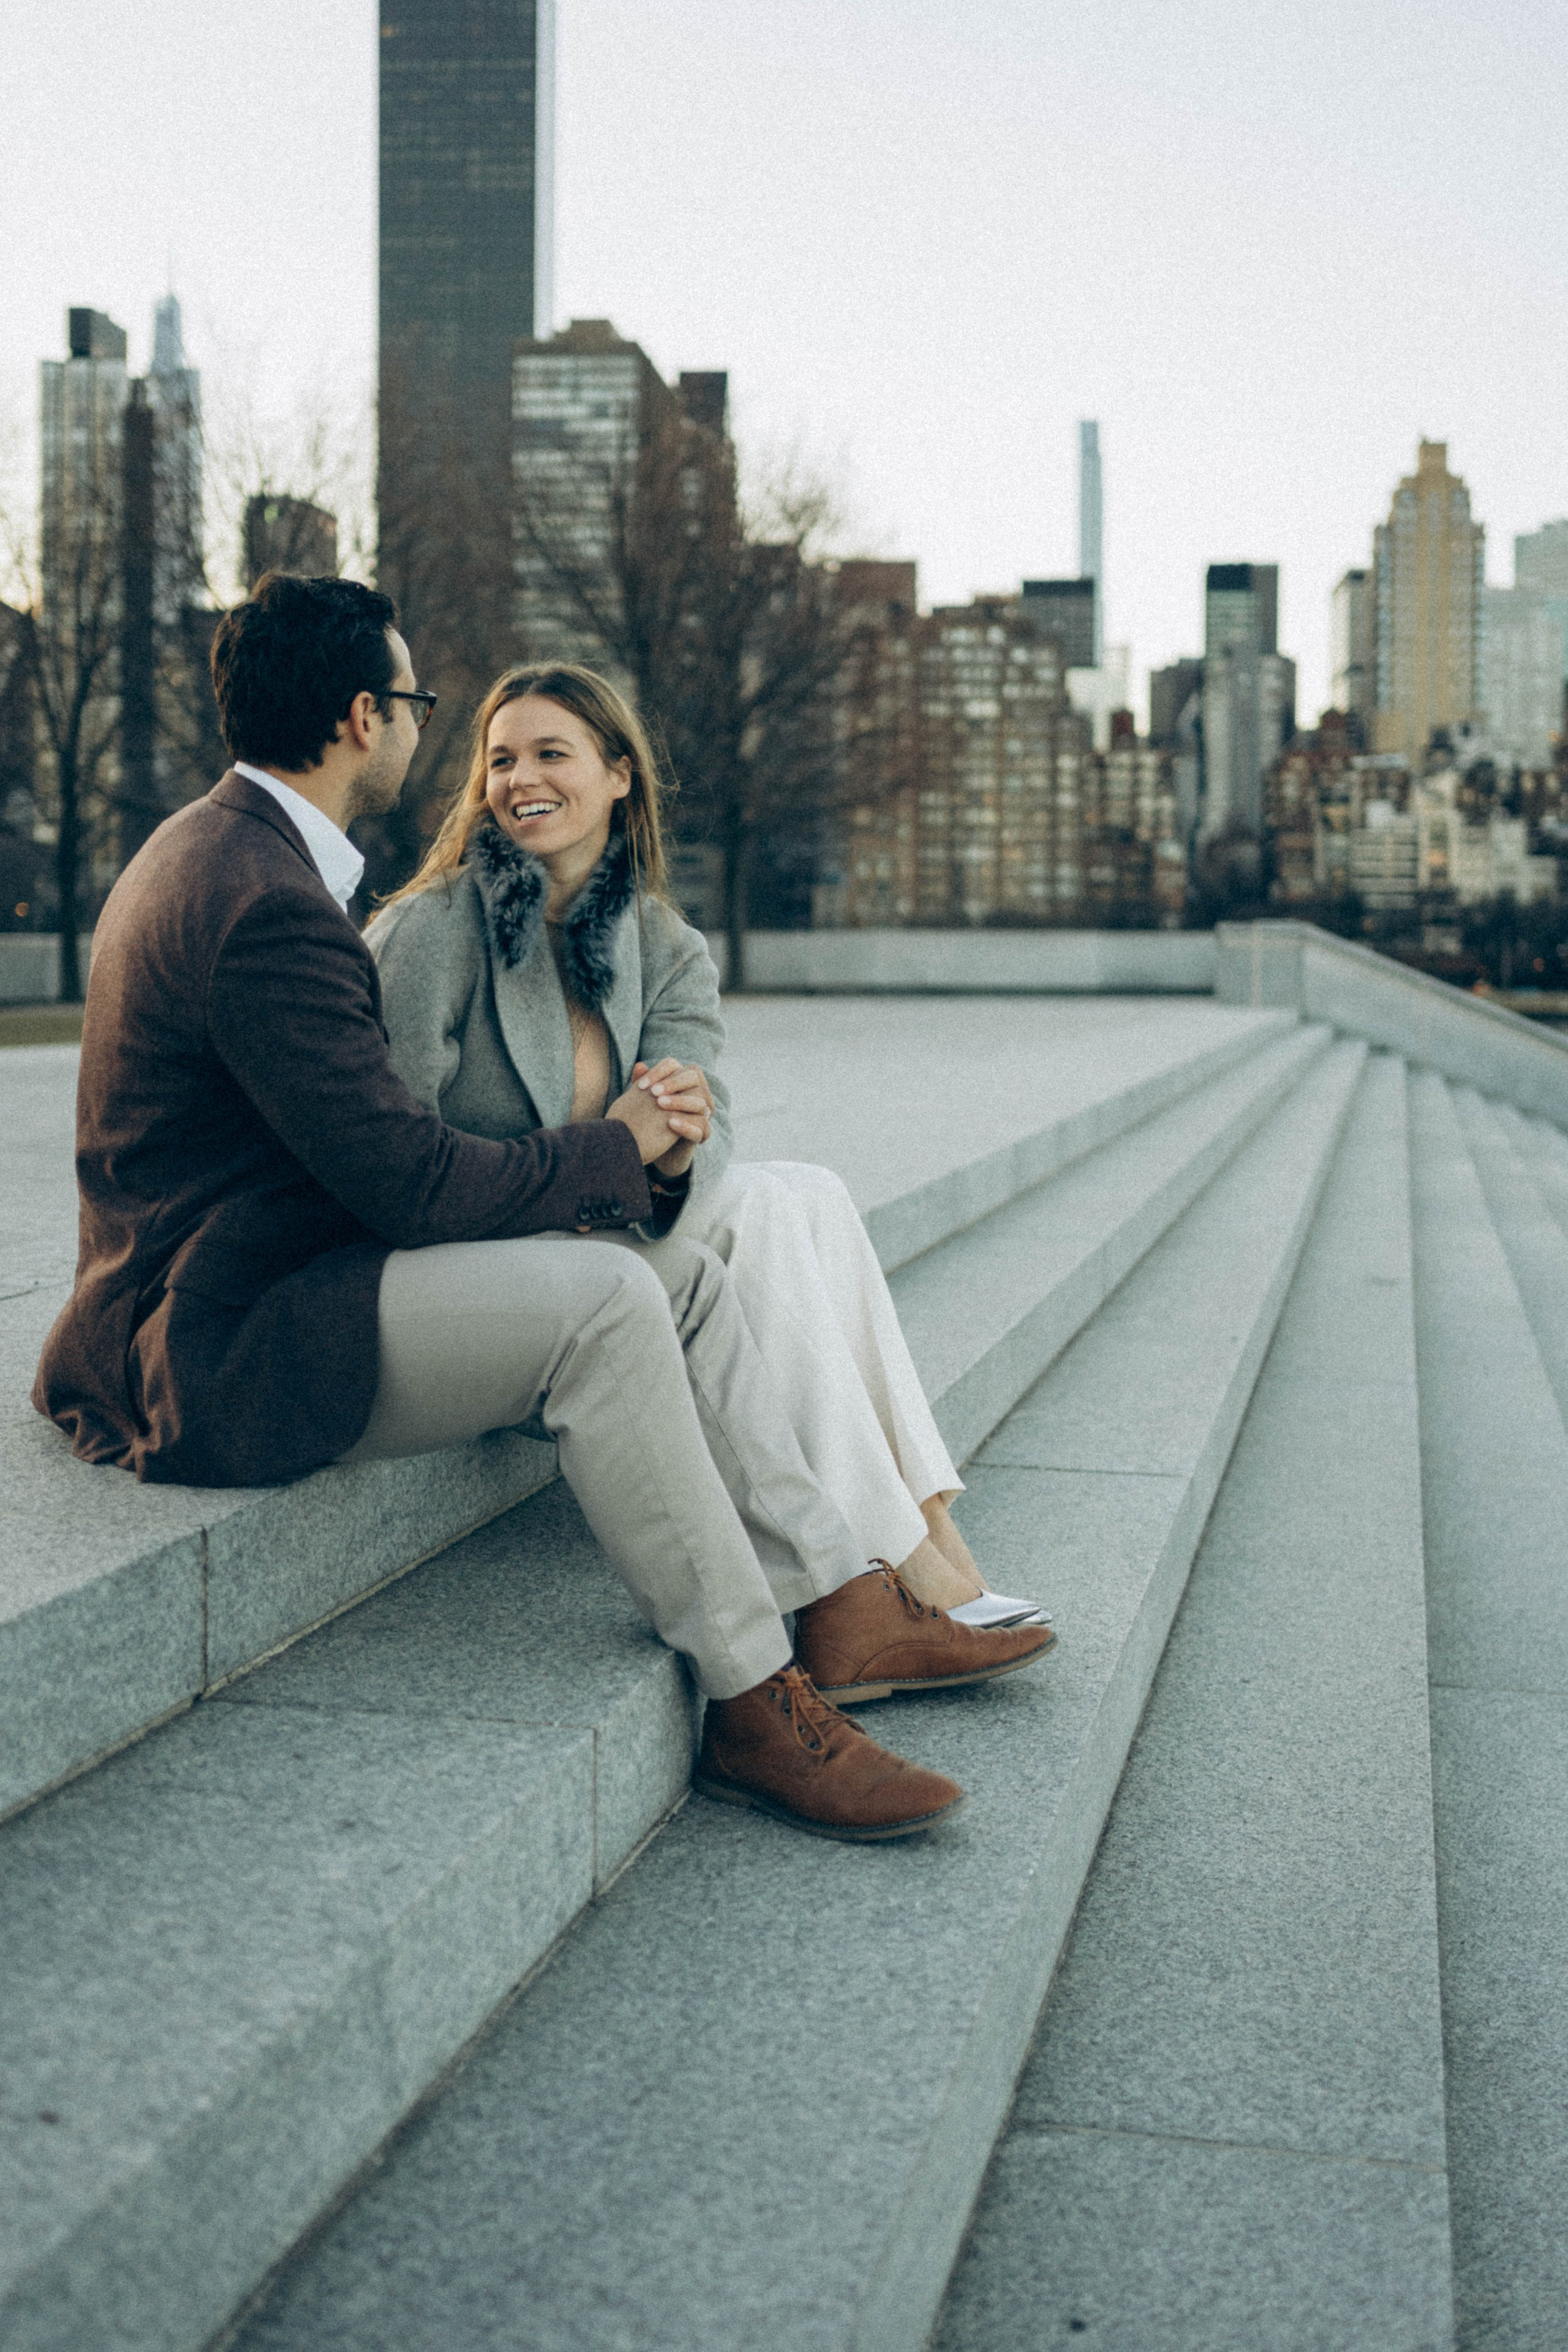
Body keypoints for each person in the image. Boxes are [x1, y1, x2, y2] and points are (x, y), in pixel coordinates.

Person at [33, 573, 1050, 1847]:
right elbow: (404, 1179)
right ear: (362, 716)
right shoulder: (265, 902)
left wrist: (622, 1164)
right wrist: (612, 1146)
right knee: (609, 1298)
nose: (428, 731)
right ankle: (749, 1694)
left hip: (271, 1273)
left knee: (678, 1276)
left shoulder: (231, 852)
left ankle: (837, 1596)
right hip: (216, 1339)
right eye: (418, 704)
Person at [365, 661, 1050, 1632]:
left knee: (802, 1191)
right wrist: (619, 1143)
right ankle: (903, 1572)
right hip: (489, 1268)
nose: (521, 781)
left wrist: (680, 1152)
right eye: (501, 760)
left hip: (603, 1231)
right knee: (771, 1211)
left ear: (618, 777)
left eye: (551, 755)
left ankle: (934, 1542)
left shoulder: (665, 943)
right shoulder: (433, 932)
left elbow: (703, 1122)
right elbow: (395, 1156)